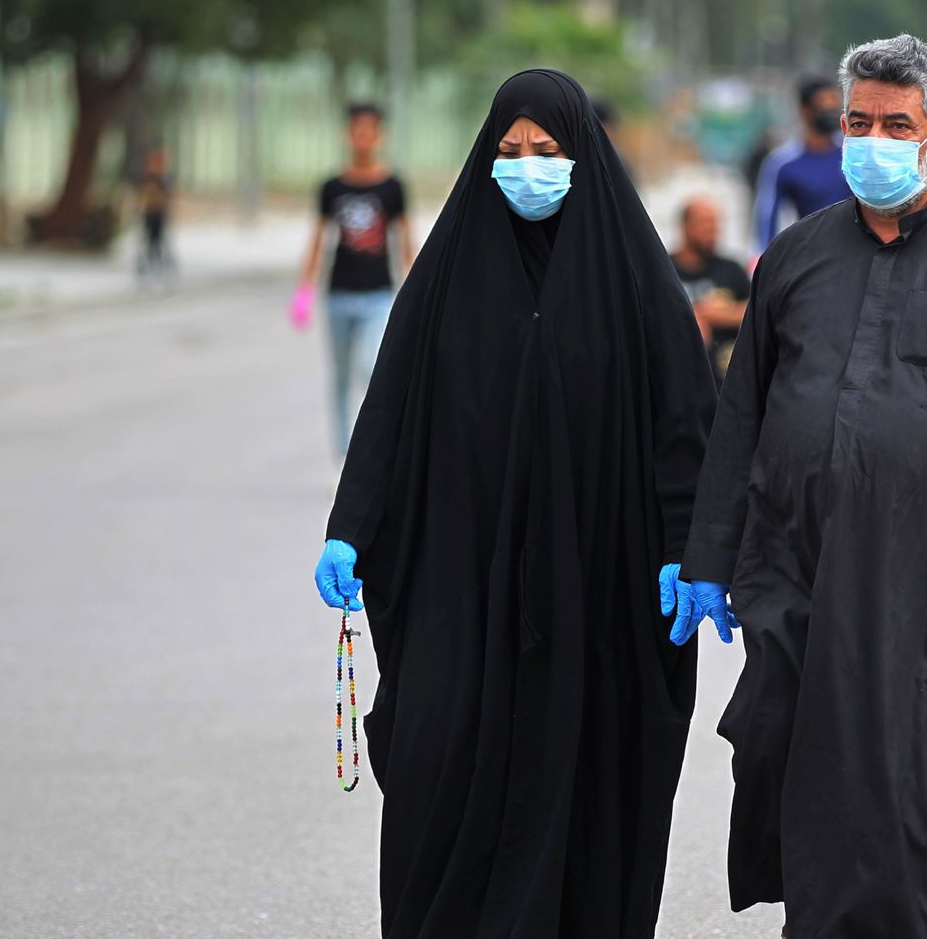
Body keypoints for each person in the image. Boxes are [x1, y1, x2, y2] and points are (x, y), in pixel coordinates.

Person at [673, 34, 927, 939]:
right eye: (859, 123)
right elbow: (742, 416)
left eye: (897, 126)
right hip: (797, 569)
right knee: (797, 757)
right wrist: (709, 555)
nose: (873, 142)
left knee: (925, 773)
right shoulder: (794, 260)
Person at [311, 70, 717, 939]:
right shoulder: (445, 280)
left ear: (584, 156)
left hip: (598, 583)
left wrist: (690, 545)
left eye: (547, 149)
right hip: (460, 579)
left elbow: (685, 426)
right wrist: (351, 528)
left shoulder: (635, 284)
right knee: (441, 757)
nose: (527, 166)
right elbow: (388, 412)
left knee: (586, 766)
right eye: (509, 150)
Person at [293, 102, 416, 457]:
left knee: (371, 367)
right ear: (347, 135)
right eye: (356, 131)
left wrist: (417, 291)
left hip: (379, 294)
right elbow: (318, 240)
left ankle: (377, 445)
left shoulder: (393, 186)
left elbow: (406, 242)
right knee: (341, 376)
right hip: (339, 296)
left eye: (369, 131)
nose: (363, 138)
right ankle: (344, 453)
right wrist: (304, 291)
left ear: (380, 136)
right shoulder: (332, 187)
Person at [752, 74, 853, 249]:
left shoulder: (852, 155)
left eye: (835, 108)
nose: (832, 115)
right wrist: (764, 257)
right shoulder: (783, 164)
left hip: (856, 251)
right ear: (805, 112)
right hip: (811, 253)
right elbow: (767, 219)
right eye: (824, 109)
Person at [671, 196, 751, 384]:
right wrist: (693, 317)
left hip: (724, 380)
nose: (712, 230)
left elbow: (756, 311)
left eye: (715, 224)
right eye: (705, 223)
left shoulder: (731, 269)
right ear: (685, 226)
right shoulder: (666, 269)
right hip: (678, 376)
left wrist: (714, 315)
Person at [135, 143, 175, 282]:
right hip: (149, 214)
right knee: (149, 240)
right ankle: (149, 264)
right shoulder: (149, 179)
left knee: (158, 241)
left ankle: (157, 264)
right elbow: (143, 197)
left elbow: (167, 198)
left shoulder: (162, 180)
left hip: (158, 214)